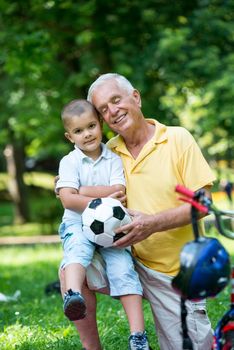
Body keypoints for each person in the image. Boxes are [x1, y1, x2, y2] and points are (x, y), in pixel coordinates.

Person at [59, 73, 216, 350]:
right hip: (121, 254)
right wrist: (64, 187)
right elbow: (73, 182)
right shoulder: (107, 151)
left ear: (136, 97)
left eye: (116, 100)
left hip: (170, 272)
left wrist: (152, 224)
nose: (113, 112)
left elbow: (203, 203)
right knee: (73, 266)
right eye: (104, 110)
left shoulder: (177, 139)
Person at [56, 99, 150, 350]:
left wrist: (83, 191)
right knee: (78, 251)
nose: (86, 134)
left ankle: (138, 336)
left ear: (100, 125)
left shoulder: (113, 159)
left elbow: (119, 191)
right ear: (69, 136)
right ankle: (73, 295)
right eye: (78, 131)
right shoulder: (69, 162)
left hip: (111, 227)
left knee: (124, 269)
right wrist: (100, 196)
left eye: (91, 126)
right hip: (77, 225)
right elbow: (67, 200)